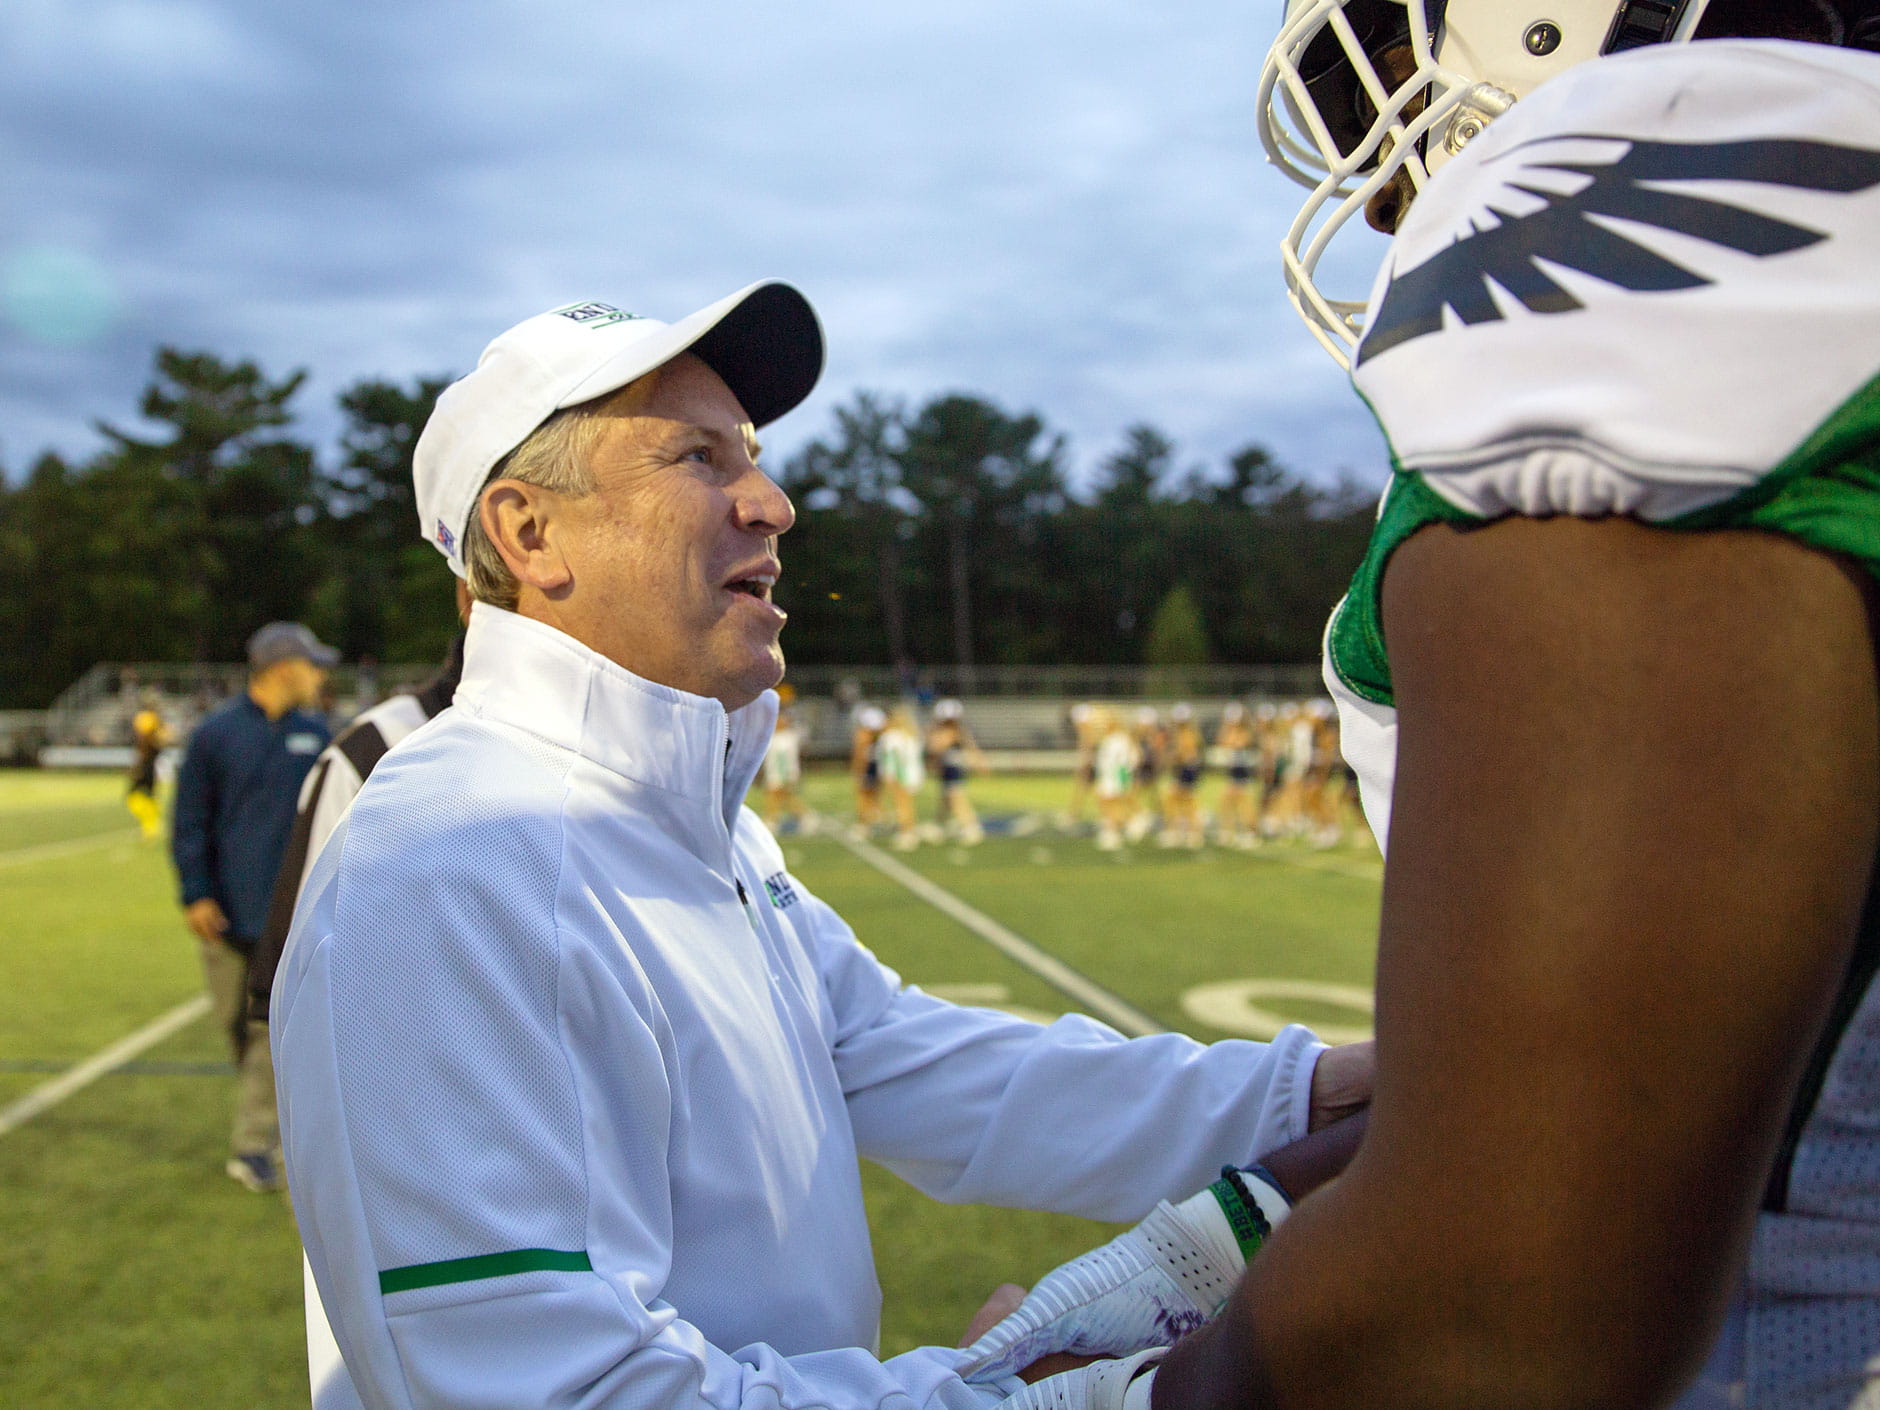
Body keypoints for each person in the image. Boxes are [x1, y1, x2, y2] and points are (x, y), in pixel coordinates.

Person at [966, 3, 1880, 1408]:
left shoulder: (1673, 175)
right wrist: (1208, 1240)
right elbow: (1667, 1063)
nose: (1382, 167)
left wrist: (1106, 1394)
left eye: (1388, 72)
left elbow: (1498, 1317)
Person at [270, 282, 1374, 1410]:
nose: (774, 501)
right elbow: (562, 1389)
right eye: (699, 459)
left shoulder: (704, 829)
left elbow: (913, 1060)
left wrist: (1309, 1100)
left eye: (751, 452)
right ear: (529, 532)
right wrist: (1029, 1398)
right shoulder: (445, 863)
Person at [172, 620, 335, 1192]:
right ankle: (274, 1128)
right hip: (225, 915)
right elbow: (189, 820)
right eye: (312, 663)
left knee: (270, 1030)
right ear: (283, 668)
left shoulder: (319, 734)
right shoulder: (215, 735)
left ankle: (256, 1143)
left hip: (290, 917)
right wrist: (196, 892)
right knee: (237, 1031)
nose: (321, 675)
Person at [928, 698, 987, 845]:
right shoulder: (949, 731)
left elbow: (937, 748)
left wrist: (979, 762)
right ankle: (940, 826)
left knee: (957, 799)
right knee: (945, 801)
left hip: (953, 769)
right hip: (947, 769)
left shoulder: (953, 732)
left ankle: (971, 827)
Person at [877, 703, 927, 850]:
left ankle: (907, 833)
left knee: (902, 804)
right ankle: (908, 831)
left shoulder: (891, 736)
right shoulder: (911, 734)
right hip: (914, 774)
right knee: (907, 804)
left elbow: (892, 758)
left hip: (901, 774)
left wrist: (890, 776)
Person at [125, 698, 170, 840]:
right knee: (150, 796)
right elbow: (163, 741)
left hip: (146, 763)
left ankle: (149, 826)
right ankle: (150, 826)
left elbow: (143, 741)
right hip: (152, 763)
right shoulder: (159, 723)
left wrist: (138, 763)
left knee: (133, 795)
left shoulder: (145, 720)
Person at [762, 704, 809, 832]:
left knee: (779, 796)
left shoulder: (788, 737)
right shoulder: (773, 736)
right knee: (784, 798)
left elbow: (785, 759)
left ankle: (773, 819)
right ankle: (801, 817)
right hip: (775, 771)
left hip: (783, 772)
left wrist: (784, 776)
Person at [850, 703, 886, 836]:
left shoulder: (863, 736)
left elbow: (859, 756)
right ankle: (876, 820)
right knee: (874, 795)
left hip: (868, 767)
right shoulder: (881, 735)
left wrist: (857, 771)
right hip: (877, 766)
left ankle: (864, 824)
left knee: (864, 795)